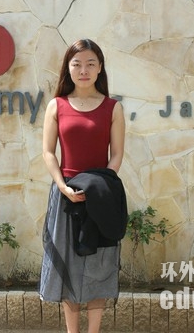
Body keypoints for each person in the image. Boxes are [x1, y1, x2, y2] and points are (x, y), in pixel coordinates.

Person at [39, 38, 126, 333]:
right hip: (66, 196)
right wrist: (63, 187)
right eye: (77, 64)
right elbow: (48, 152)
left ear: (100, 68)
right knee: (68, 266)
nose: (84, 70)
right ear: (68, 68)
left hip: (101, 197)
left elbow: (117, 155)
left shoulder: (113, 108)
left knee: (100, 265)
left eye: (90, 64)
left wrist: (100, 188)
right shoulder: (56, 105)